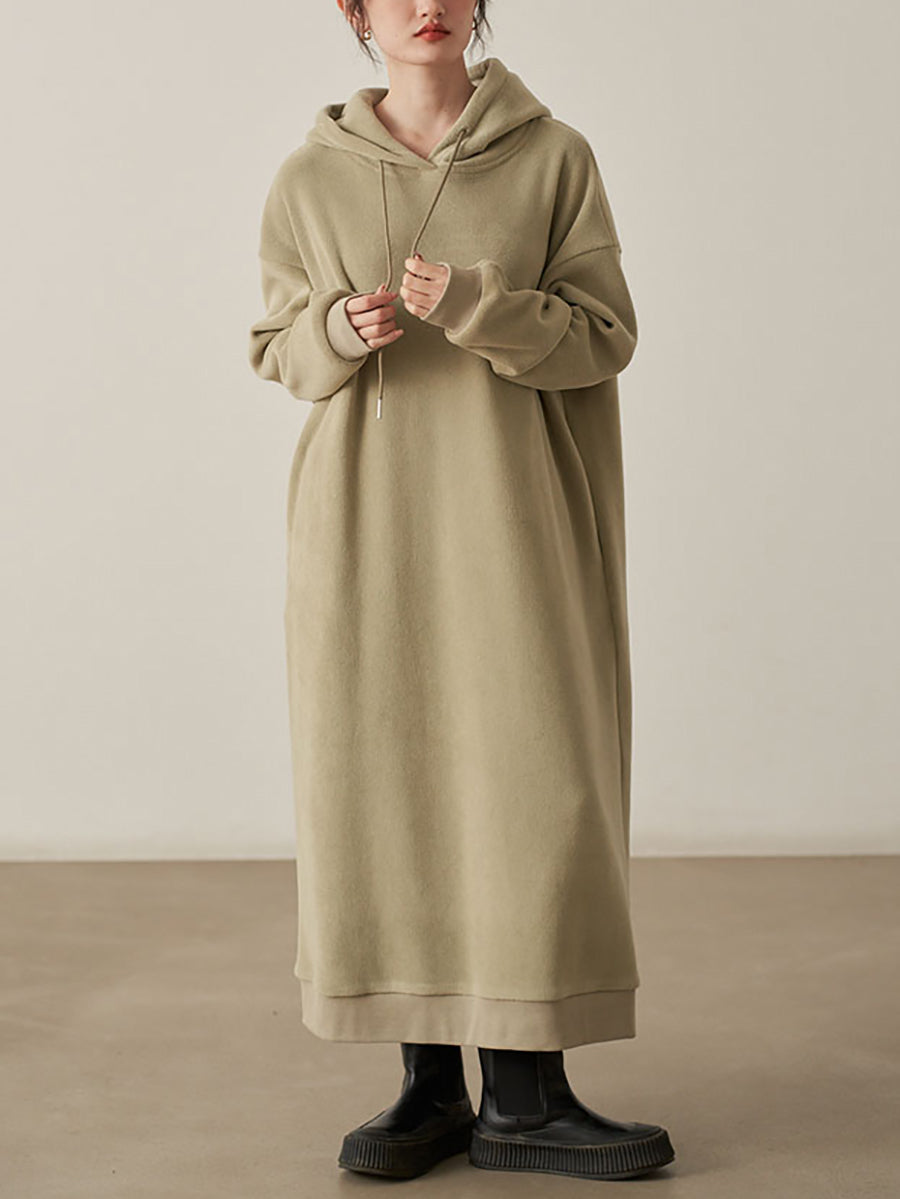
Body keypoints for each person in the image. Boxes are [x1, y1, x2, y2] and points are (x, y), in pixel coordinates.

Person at [247, 0, 675, 1182]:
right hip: (363, 529)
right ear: (356, 12)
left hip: (517, 522)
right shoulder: (308, 178)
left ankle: (528, 1094)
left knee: (531, 783)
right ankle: (429, 1087)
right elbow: (276, 346)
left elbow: (606, 335)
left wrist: (478, 305)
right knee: (385, 783)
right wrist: (337, 327)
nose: (425, 6)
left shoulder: (554, 158)